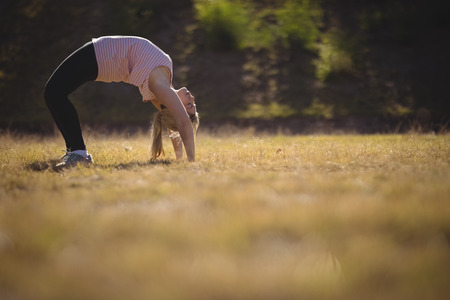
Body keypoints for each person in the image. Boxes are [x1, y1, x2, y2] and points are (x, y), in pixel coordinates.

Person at [44, 36, 199, 168]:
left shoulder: (159, 85)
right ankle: (75, 152)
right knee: (54, 93)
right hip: (101, 51)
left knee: (53, 92)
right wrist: (180, 159)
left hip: (102, 55)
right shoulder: (163, 88)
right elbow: (176, 123)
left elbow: (182, 122)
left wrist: (191, 162)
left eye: (189, 105)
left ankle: (78, 152)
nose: (192, 98)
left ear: (176, 110)